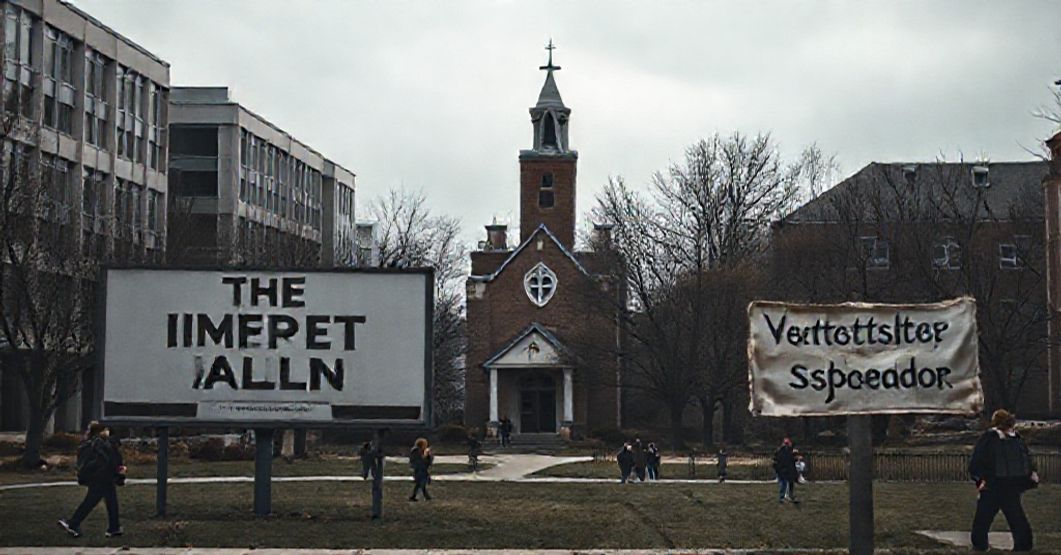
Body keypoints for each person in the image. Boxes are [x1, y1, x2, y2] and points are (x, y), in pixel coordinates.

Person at [969, 409, 1038, 552]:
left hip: (992, 484)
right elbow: (1027, 458)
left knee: (983, 518)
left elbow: (978, 460)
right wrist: (1030, 474)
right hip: (1012, 485)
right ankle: (1023, 545)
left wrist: (979, 479)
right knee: (1016, 517)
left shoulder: (989, 438)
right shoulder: (1017, 439)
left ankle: (980, 545)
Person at [58, 421, 125, 538]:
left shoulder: (88, 444)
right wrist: (119, 474)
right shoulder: (104, 443)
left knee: (110, 501)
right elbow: (112, 460)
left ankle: (114, 527)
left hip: (97, 477)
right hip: (104, 477)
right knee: (92, 501)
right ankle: (73, 523)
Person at [772, 437, 799, 504]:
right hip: (782, 469)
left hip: (789, 470)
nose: (787, 445)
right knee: (784, 484)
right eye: (786, 443)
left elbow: (792, 460)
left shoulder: (790, 451)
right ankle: (782, 497)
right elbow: (777, 461)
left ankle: (789, 496)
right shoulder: (781, 451)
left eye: (788, 443)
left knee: (790, 483)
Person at [408, 437, 434, 501]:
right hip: (419, 469)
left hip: (422, 469)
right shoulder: (416, 451)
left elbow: (427, 461)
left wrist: (428, 456)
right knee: (421, 483)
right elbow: (420, 460)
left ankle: (417, 496)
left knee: (420, 483)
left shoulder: (422, 451)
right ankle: (425, 496)